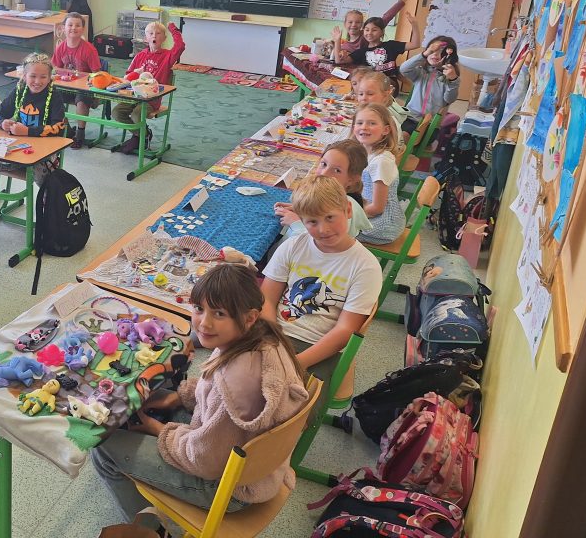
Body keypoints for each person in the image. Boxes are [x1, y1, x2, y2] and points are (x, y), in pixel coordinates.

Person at [92, 264, 309, 525]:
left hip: (228, 489)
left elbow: (205, 460)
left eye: (219, 313)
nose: (204, 323)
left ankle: (149, 530)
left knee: (103, 448)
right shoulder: (263, 338)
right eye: (198, 309)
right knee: (160, 395)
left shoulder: (236, 385)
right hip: (255, 465)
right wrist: (178, 397)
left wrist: (157, 429)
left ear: (249, 317)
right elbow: (213, 388)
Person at [260, 176, 382, 406]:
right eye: (312, 222)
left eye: (330, 217)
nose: (323, 229)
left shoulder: (366, 266)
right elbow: (266, 298)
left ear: (347, 210)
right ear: (301, 221)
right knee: (232, 378)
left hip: (317, 347)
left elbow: (345, 330)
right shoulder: (293, 245)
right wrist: (271, 337)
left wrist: (296, 362)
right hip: (273, 333)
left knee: (283, 404)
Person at [0, 52, 66, 183]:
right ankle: (29, 175)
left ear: (49, 78)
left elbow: (58, 128)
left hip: (45, 147)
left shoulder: (55, 96)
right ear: (24, 76)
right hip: (20, 145)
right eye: (33, 76)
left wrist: (27, 131)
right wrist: (1, 122)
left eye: (43, 77)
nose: (37, 81)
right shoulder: (19, 91)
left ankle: (43, 188)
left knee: (40, 169)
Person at [274, 139, 372, 240]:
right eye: (324, 164)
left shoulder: (343, 209)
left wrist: (297, 224)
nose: (324, 173)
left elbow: (323, 243)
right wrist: (304, 210)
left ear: (352, 179)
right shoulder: (330, 198)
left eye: (337, 170)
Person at [113, 21, 185, 155]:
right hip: (134, 95)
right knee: (117, 112)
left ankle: (138, 137)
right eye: (151, 33)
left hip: (151, 99)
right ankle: (143, 134)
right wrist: (135, 74)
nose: (154, 36)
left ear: (164, 38)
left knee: (136, 115)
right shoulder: (140, 55)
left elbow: (180, 46)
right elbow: (128, 76)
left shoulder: (167, 56)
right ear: (146, 38)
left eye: (158, 33)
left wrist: (173, 29)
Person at [350, 103, 404, 245]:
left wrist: (349, 216)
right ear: (354, 127)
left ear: (385, 130)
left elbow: (377, 208)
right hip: (370, 214)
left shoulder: (381, 162)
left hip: (381, 226)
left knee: (325, 226)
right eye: (360, 123)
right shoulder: (367, 152)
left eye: (372, 123)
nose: (364, 127)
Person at [51, 12, 102, 149]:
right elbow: (56, 69)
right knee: (52, 96)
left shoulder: (89, 49)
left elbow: (97, 73)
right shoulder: (60, 48)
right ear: (63, 28)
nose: (73, 28)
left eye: (78, 25)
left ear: (83, 29)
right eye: (70, 25)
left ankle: (80, 133)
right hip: (68, 87)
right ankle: (66, 129)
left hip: (85, 89)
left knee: (81, 99)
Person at [329, 0, 416, 64]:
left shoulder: (367, 33)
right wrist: (337, 41)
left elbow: (389, 15)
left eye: (358, 22)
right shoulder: (345, 46)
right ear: (345, 24)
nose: (354, 25)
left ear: (362, 25)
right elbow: (339, 60)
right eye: (350, 22)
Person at [338, 10, 422, 88]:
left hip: (389, 84)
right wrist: (337, 40)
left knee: (377, 81)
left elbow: (415, 44)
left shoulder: (391, 45)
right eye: (367, 30)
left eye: (374, 30)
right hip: (369, 86)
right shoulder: (361, 52)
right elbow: (339, 61)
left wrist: (414, 25)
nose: (369, 33)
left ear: (382, 32)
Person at [399, 35, 461, 136]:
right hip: (409, 117)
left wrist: (453, 81)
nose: (435, 54)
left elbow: (449, 99)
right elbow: (403, 69)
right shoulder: (421, 72)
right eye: (432, 50)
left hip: (429, 125)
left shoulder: (449, 77)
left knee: (403, 135)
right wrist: (424, 54)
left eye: (441, 52)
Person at [355, 69, 409, 143]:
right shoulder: (378, 109)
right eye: (361, 94)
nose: (363, 98)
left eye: (370, 94)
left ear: (385, 95)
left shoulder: (385, 118)